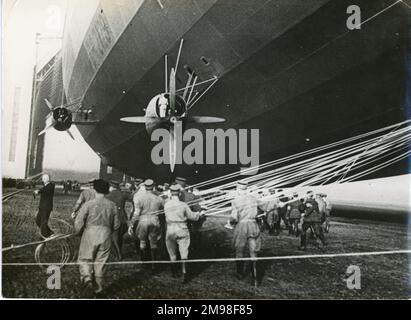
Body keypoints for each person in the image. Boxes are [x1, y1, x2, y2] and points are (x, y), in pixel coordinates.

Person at [74, 179, 120, 298]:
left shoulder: (88, 204)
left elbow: (78, 221)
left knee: (85, 259)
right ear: (106, 191)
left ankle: (87, 280)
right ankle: (98, 289)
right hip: (105, 235)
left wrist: (78, 232)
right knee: (101, 262)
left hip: (90, 234)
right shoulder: (112, 205)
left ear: (95, 190)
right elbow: (116, 225)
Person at [164, 184, 204, 283]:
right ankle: (184, 273)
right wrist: (200, 214)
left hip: (170, 229)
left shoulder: (166, 204)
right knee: (184, 252)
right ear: (180, 193)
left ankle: (174, 272)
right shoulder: (183, 205)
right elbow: (193, 217)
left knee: (172, 253)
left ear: (170, 193)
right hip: (182, 228)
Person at [128, 179, 164, 272]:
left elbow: (136, 213)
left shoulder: (138, 197)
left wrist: (131, 224)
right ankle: (153, 264)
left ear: (144, 186)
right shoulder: (158, 198)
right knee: (153, 242)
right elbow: (162, 210)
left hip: (143, 220)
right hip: (154, 219)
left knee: (142, 242)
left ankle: (144, 263)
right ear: (153, 187)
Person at [230, 181, 261, 286]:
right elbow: (265, 207)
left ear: (238, 189)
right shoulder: (253, 198)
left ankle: (239, 274)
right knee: (253, 251)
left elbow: (234, 217)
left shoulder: (235, 201)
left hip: (242, 226)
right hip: (253, 225)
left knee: (239, 249)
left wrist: (231, 222)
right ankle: (255, 278)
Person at [106, 180, 133, 260]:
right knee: (120, 236)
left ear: (111, 186)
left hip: (113, 218)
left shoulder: (107, 195)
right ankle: (119, 252)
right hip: (123, 217)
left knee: (114, 236)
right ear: (118, 186)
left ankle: (118, 254)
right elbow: (132, 198)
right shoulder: (123, 194)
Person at [34, 174, 55, 239]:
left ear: (47, 179)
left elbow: (44, 190)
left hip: (46, 208)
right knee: (38, 220)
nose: (42, 180)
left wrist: (38, 191)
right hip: (42, 207)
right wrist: (38, 191)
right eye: (43, 178)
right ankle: (50, 232)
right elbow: (42, 189)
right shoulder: (46, 186)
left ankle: (44, 237)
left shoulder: (50, 186)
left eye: (44, 178)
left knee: (43, 222)